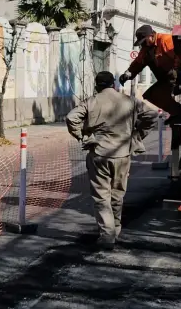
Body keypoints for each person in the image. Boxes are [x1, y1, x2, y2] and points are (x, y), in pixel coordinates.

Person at [66, 71, 158, 248]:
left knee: (102, 197)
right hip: (123, 154)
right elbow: (152, 115)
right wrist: (138, 135)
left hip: (99, 154)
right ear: (114, 85)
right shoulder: (129, 100)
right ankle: (115, 229)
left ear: (97, 85)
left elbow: (71, 118)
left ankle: (107, 236)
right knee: (117, 195)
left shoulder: (92, 101)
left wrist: (82, 137)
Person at [119, 24, 181, 121]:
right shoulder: (146, 50)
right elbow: (138, 63)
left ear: (151, 36)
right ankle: (178, 113)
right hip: (166, 78)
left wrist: (175, 70)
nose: (142, 44)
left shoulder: (165, 40)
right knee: (153, 95)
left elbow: (179, 55)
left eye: (143, 41)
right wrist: (128, 73)